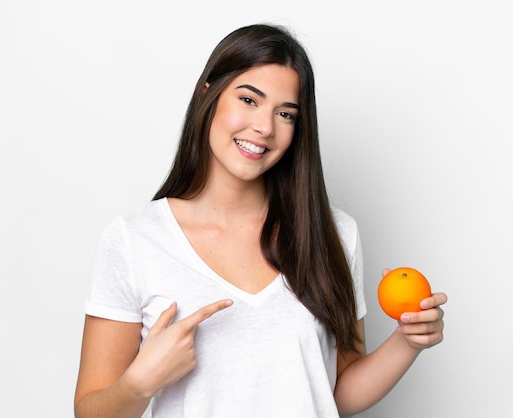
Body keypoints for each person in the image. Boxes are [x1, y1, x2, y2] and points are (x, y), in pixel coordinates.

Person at [74, 23, 447, 418]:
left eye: (285, 113)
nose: (265, 127)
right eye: (249, 100)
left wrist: (408, 341)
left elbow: (333, 392)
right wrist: (140, 383)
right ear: (208, 94)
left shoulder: (333, 235)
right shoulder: (135, 241)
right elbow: (89, 411)